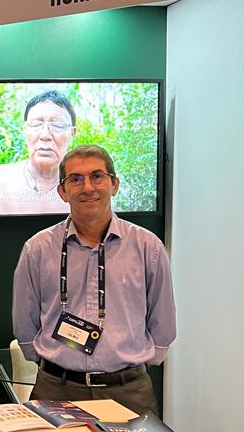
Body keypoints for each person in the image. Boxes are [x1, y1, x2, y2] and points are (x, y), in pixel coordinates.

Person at [12, 144, 175, 416]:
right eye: (75, 179)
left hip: (128, 392)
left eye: (97, 176)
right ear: (62, 192)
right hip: (57, 390)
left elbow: (163, 324)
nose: (87, 187)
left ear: (114, 184)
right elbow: (25, 329)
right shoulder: (37, 249)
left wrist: (128, 364)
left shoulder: (148, 247)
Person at [0, 90, 76, 215]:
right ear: (26, 130)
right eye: (36, 124)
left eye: (57, 125)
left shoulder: (85, 188)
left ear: (72, 133)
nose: (45, 135)